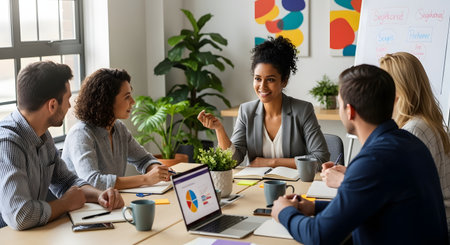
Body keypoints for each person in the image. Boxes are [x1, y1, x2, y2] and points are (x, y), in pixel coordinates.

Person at [271, 64, 448, 244]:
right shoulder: (410, 142)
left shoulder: (374, 160)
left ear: (350, 111)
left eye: (339, 104)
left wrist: (284, 211)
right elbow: (365, 204)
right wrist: (313, 207)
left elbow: (319, 236)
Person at [322, 52, 450, 235]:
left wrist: (343, 181)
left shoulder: (412, 132)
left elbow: (390, 193)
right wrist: (352, 174)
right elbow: (398, 182)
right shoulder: (423, 122)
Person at [0, 61, 124, 230]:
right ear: (52, 105)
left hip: (36, 233)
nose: (69, 106)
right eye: (67, 99)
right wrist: (65, 204)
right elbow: (21, 215)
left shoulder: (43, 134)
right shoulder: (8, 144)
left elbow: (67, 181)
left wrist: (100, 195)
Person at [197, 36, 329, 168]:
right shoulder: (246, 111)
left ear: (284, 81)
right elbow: (233, 160)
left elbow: (320, 158)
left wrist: (272, 162)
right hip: (257, 184)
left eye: (270, 79)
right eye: (258, 79)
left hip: (294, 186)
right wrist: (219, 129)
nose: (262, 86)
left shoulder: (302, 110)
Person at [62, 68, 170, 190]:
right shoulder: (81, 134)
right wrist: (146, 179)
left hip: (111, 202)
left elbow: (144, 159)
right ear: (106, 101)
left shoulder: (118, 128)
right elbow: (93, 181)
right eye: (127, 97)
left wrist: (158, 170)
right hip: (85, 207)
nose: (133, 102)